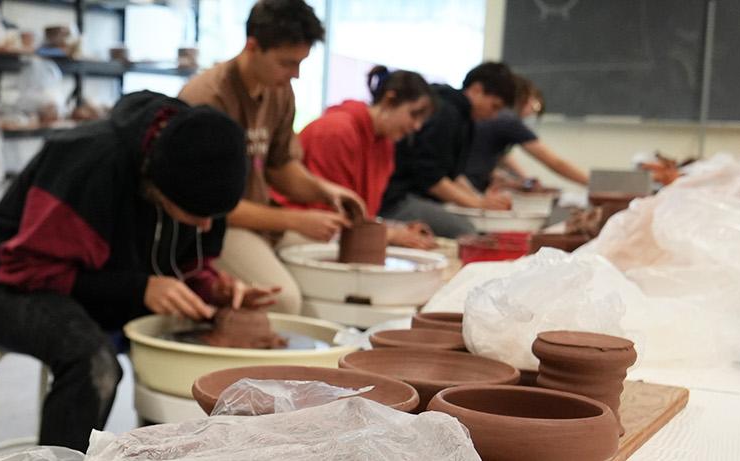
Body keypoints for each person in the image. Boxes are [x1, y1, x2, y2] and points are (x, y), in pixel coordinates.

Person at [0, 92, 281, 450]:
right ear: (158, 187)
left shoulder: (205, 160)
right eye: (197, 216)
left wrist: (214, 289)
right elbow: (26, 268)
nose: (207, 226)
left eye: (215, 217)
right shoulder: (89, 162)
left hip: (107, 288)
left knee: (181, 350)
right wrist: (139, 289)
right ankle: (61, 460)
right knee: (92, 361)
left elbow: (188, 264)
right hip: (12, 284)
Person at [178, 0, 359, 316]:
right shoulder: (208, 99)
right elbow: (203, 206)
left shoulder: (279, 89)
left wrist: (325, 191)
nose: (296, 74)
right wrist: (294, 219)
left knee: (336, 268)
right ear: (252, 46)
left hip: (259, 219)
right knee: (285, 300)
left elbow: (280, 167)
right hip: (211, 228)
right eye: (287, 63)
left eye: (301, 63)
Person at [278, 66, 438, 250]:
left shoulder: (385, 143)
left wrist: (397, 229)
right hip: (302, 228)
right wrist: (390, 234)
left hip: (337, 230)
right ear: (389, 99)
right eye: (414, 114)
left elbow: (361, 213)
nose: (417, 127)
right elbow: (327, 213)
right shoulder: (337, 131)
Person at [380, 62, 522, 238]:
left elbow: (453, 175)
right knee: (467, 232)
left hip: (412, 197)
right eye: (494, 106)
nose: (493, 115)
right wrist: (478, 203)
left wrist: (481, 199)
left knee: (473, 225)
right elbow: (430, 177)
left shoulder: (463, 116)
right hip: (396, 199)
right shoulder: (446, 111)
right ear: (477, 90)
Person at [465, 76, 591, 190]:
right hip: (467, 188)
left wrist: (524, 179)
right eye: (535, 106)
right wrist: (594, 184)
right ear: (524, 97)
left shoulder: (500, 118)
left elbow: (502, 156)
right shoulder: (508, 119)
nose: (532, 113)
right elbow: (555, 162)